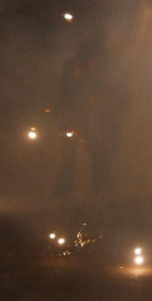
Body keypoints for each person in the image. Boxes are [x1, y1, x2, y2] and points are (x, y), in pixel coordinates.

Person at [52, 31, 127, 197]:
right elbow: (65, 93)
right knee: (70, 155)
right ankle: (63, 191)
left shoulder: (93, 70)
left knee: (97, 152)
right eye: (93, 58)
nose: (96, 62)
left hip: (84, 117)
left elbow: (98, 90)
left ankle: (101, 188)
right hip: (70, 117)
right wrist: (62, 117)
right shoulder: (74, 67)